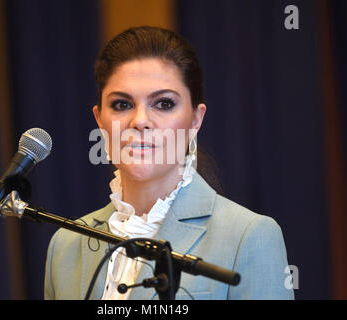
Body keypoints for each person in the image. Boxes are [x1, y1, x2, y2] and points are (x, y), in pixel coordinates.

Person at [44, 26, 294, 300]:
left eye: (163, 104)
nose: (140, 121)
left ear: (195, 120)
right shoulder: (65, 244)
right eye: (121, 104)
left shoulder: (249, 236)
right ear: (99, 120)